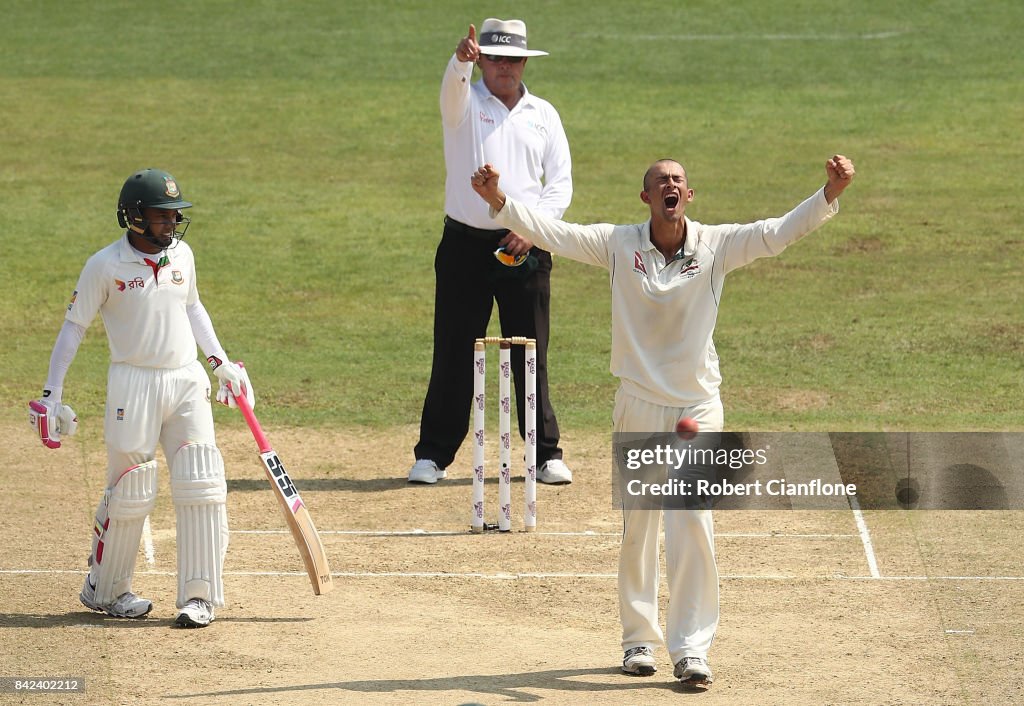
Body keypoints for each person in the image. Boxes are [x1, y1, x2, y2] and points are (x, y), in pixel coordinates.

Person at [470, 155, 856, 688]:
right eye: (660, 182)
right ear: (646, 198)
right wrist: (500, 201)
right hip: (640, 403)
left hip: (697, 406)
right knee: (641, 527)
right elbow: (554, 232)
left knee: (692, 519)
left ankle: (692, 648)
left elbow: (774, 234)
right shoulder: (617, 244)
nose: (670, 186)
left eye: (678, 180)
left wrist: (828, 193)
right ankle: (637, 640)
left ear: (688, 196)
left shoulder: (715, 245)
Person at [29, 168, 255, 628]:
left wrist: (221, 364)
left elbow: (193, 306)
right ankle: (106, 590)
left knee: (202, 482)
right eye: (160, 215)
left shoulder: (183, 256)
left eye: (174, 215)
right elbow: (74, 328)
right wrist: (52, 394)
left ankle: (200, 597)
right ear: (133, 217)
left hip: (186, 381)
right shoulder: (104, 266)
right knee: (130, 488)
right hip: (132, 384)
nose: (171, 223)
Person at [407, 18, 574, 486]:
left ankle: (544, 454)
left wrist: (533, 230)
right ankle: (434, 454)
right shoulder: (464, 103)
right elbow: (451, 92)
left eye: (512, 59)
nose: (504, 67)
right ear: (483, 60)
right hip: (465, 244)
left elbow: (559, 184)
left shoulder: (544, 113)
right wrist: (459, 61)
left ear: (524, 63)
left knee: (531, 348)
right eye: (495, 58)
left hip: (525, 246)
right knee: (456, 348)